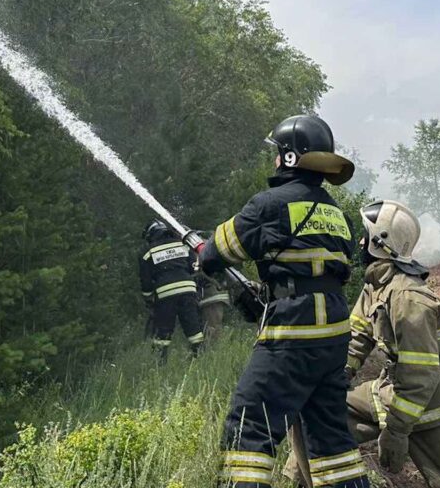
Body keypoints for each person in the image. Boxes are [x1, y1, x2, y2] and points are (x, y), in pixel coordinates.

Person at [197, 115, 369, 488]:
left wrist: (202, 248)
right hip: (334, 335)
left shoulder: (269, 205)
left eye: (277, 152)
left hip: (293, 332)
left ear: (289, 157)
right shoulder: (337, 214)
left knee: (250, 426)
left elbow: (215, 256)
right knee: (332, 441)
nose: (274, 159)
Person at [338, 200, 440, 488]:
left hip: (432, 404)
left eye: (365, 235)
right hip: (393, 390)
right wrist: (338, 375)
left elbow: (420, 376)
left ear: (380, 242)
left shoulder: (408, 297)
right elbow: (357, 337)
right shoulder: (376, 286)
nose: (359, 241)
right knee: (320, 417)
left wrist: (396, 431)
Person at [139, 220, 204, 364]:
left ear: (151, 235)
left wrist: (149, 299)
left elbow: (146, 281)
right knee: (193, 327)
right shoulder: (181, 245)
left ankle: (159, 364)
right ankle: (200, 357)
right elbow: (194, 266)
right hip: (188, 290)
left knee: (163, 330)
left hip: (165, 295)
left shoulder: (147, 252)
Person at [195, 272, 230, 341]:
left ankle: (214, 347)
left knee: (213, 326)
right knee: (212, 326)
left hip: (211, 293)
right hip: (210, 291)